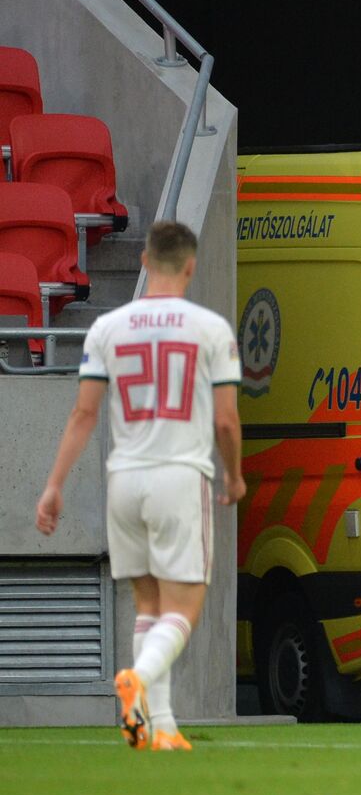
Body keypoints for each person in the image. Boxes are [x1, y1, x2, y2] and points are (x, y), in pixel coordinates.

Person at [34, 221, 245, 751]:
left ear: (145, 262)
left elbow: (84, 412)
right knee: (186, 607)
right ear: (191, 267)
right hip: (179, 474)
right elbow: (225, 420)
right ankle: (139, 682)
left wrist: (54, 484)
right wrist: (236, 474)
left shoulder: (109, 327)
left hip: (123, 478)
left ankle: (160, 726)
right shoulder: (210, 328)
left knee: (148, 606)